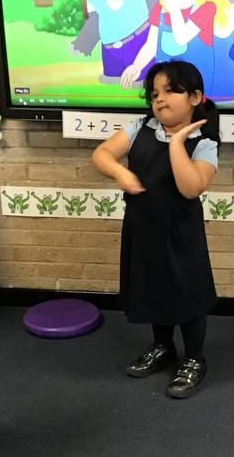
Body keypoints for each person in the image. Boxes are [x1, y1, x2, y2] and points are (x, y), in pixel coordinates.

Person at [91, 60, 219, 398]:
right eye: (154, 94)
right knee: (153, 287)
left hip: (182, 234)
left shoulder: (204, 143)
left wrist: (176, 144)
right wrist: (120, 173)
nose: (160, 99)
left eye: (171, 91)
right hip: (143, 228)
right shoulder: (139, 128)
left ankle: (194, 358)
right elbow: (102, 154)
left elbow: (190, 187)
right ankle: (163, 346)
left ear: (195, 97)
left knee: (188, 294)